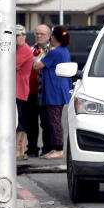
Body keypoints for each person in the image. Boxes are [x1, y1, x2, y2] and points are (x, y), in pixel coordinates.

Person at [33, 25, 72, 160]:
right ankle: (55, 148)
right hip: (60, 89)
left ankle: (59, 149)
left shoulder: (55, 52)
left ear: (54, 37)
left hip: (53, 91)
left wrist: (44, 53)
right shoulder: (64, 51)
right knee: (54, 120)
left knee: (54, 122)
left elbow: (37, 65)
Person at [26, 24, 52, 156]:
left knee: (46, 122)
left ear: (48, 36)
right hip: (31, 92)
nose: (39, 36)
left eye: (42, 34)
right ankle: (32, 148)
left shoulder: (52, 51)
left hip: (46, 93)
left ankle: (47, 148)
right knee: (31, 123)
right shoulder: (30, 50)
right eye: (37, 34)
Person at [14, 25, 34, 160]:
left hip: (20, 90)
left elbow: (11, 64)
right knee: (18, 120)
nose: (17, 38)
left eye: (19, 35)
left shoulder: (24, 50)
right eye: (15, 35)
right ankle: (18, 150)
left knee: (20, 122)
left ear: (24, 36)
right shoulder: (16, 49)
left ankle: (19, 150)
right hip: (16, 90)